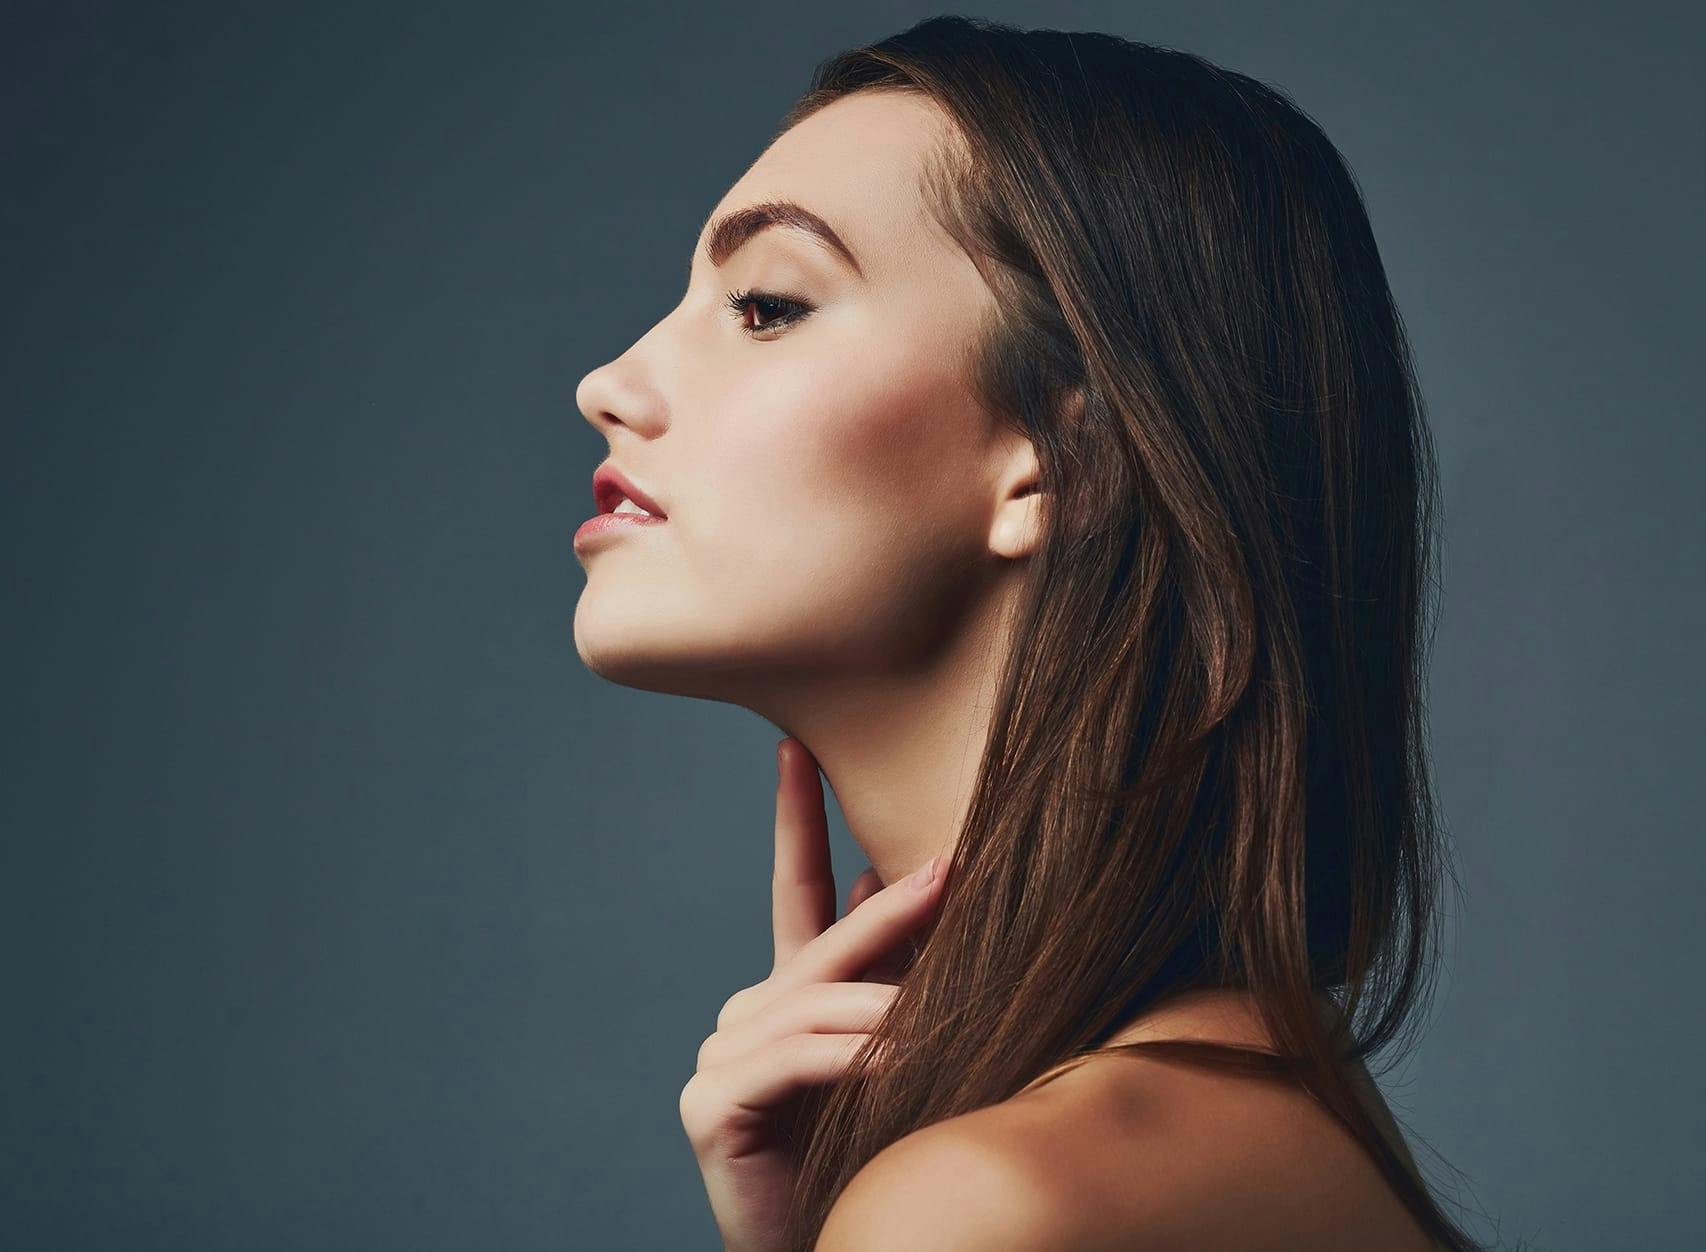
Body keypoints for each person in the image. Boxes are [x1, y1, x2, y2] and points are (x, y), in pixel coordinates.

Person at [572, 16, 1475, 1251]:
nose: (609, 383)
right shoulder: (1252, 1106)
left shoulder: (997, 1201)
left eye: (766, 304)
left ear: (1063, 453)